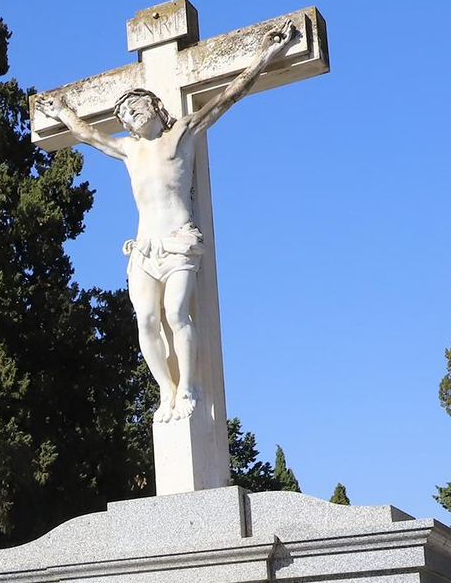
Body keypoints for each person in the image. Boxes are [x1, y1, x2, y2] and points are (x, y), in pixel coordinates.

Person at [38, 23, 297, 425]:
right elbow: (89, 136)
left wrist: (264, 56)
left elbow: (227, 97)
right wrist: (63, 113)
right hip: (144, 248)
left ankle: (189, 386)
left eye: (136, 107)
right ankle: (167, 389)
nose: (130, 116)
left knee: (176, 312)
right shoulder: (129, 151)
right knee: (146, 320)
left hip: (178, 241)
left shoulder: (182, 133)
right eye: (124, 114)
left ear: (154, 106)